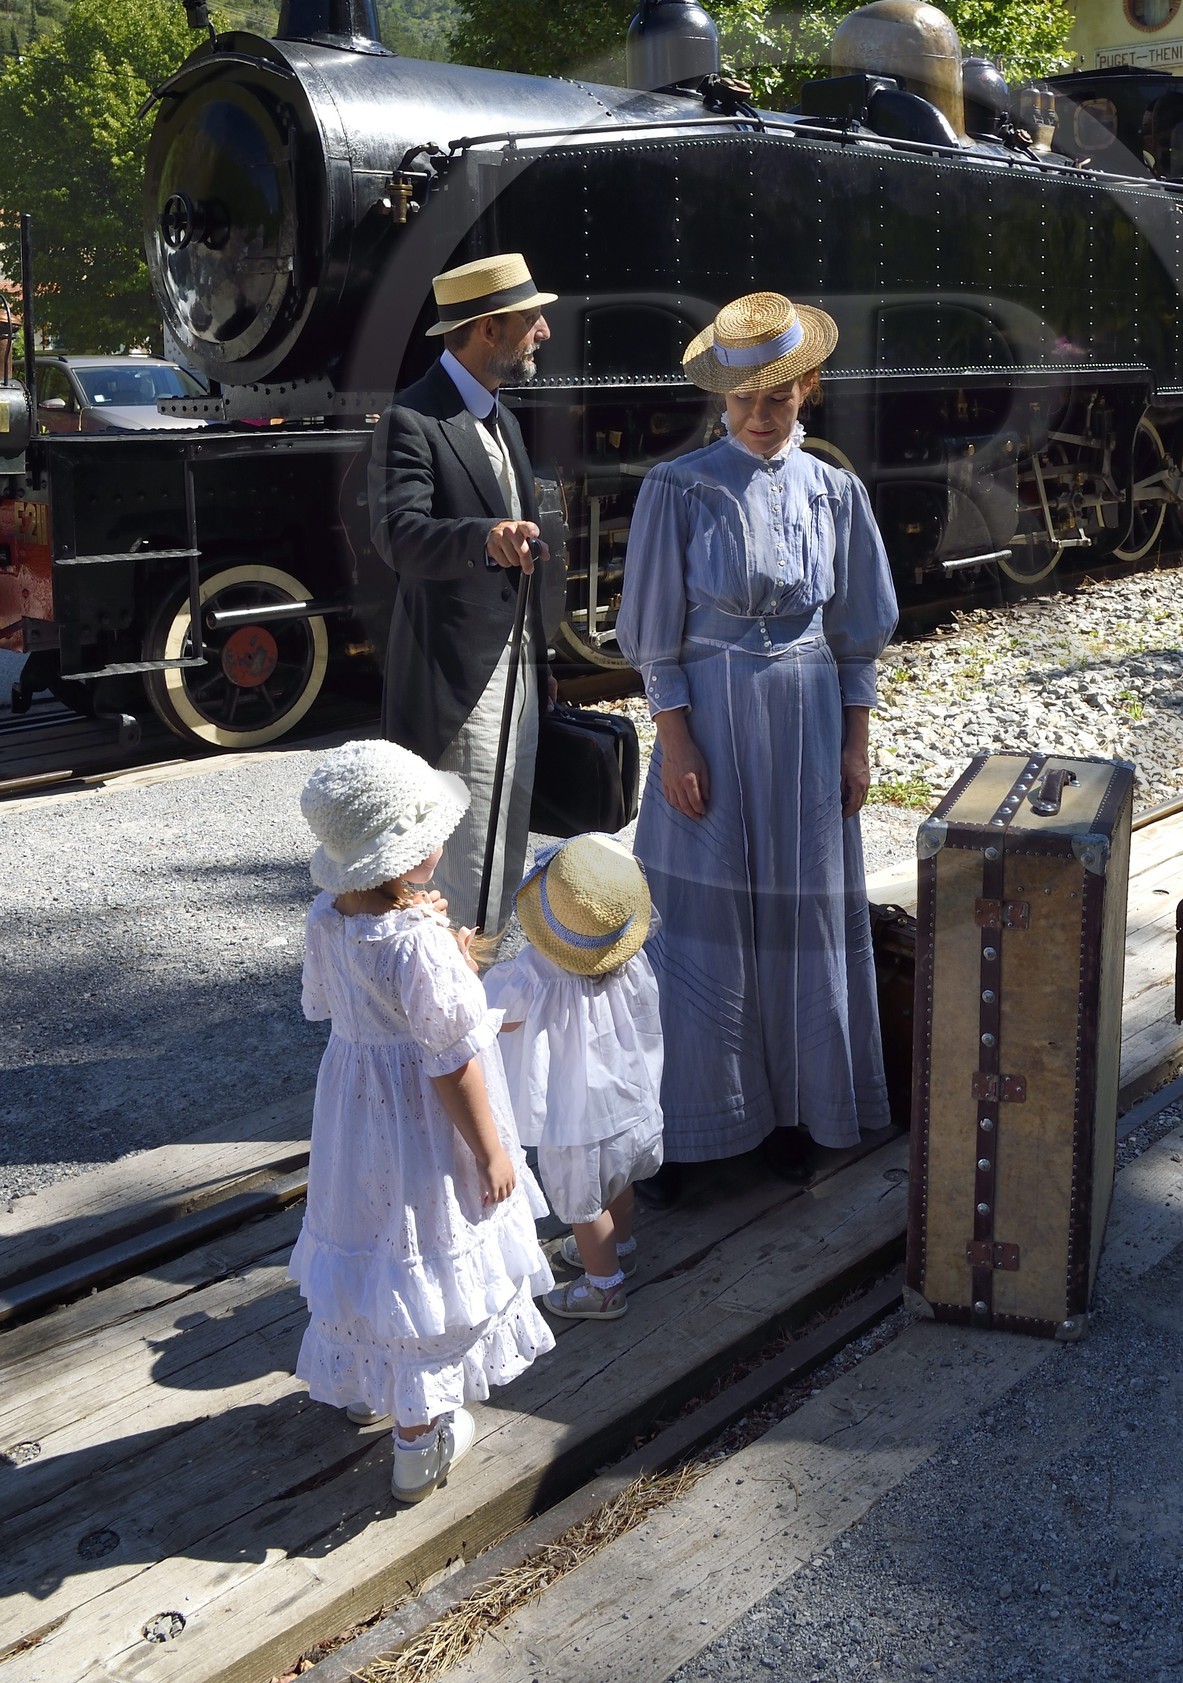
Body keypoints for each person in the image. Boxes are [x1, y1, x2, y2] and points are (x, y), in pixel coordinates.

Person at [616, 290, 899, 1190]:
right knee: (703, 916)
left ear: (808, 389)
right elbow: (652, 631)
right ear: (722, 399)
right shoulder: (678, 487)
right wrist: (677, 739)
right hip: (712, 718)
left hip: (811, 723)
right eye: (743, 400)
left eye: (778, 397)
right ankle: (706, 1134)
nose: (761, 415)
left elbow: (858, 631)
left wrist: (856, 743)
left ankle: (802, 1111)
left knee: (804, 908)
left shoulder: (837, 490)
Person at [291, 739, 556, 1504]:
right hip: (425, 1126)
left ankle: (366, 1384)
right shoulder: (415, 941)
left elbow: (334, 1005)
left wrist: (443, 947)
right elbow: (451, 1059)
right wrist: (491, 1147)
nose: (441, 843)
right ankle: (419, 1441)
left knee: (373, 1241)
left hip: (357, 1116)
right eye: (431, 834)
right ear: (401, 854)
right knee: (425, 1246)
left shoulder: (329, 915)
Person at [369, 252, 558, 932]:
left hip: (516, 671)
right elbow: (399, 535)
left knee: (507, 840)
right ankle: (455, 1013)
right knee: (467, 853)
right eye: (531, 318)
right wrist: (484, 535)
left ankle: (484, 999)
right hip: (456, 678)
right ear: (487, 329)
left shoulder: (500, 417)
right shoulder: (412, 419)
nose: (543, 331)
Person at [484, 834, 664, 1323]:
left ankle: (603, 1288)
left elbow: (494, 1014)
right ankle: (619, 1245)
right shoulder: (630, 960)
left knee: (585, 1206)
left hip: (576, 1117)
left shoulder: (534, 974)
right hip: (626, 1102)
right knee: (619, 1180)